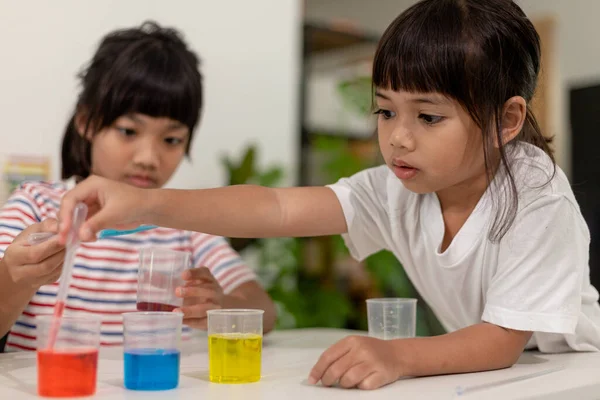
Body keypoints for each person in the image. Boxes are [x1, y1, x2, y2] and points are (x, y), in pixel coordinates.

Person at [57, 0, 600, 390]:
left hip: (573, 376)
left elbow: (501, 341)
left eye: (428, 116)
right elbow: (278, 207)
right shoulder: (399, 187)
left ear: (506, 119)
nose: (398, 137)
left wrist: (395, 356)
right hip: (498, 377)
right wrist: (144, 203)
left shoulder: (535, 194)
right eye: (385, 111)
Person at [0, 21, 276, 352]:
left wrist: (219, 305)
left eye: (171, 139)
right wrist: (14, 280)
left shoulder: (185, 226)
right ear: (86, 122)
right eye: (129, 132)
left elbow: (264, 311)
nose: (149, 158)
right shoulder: (35, 207)